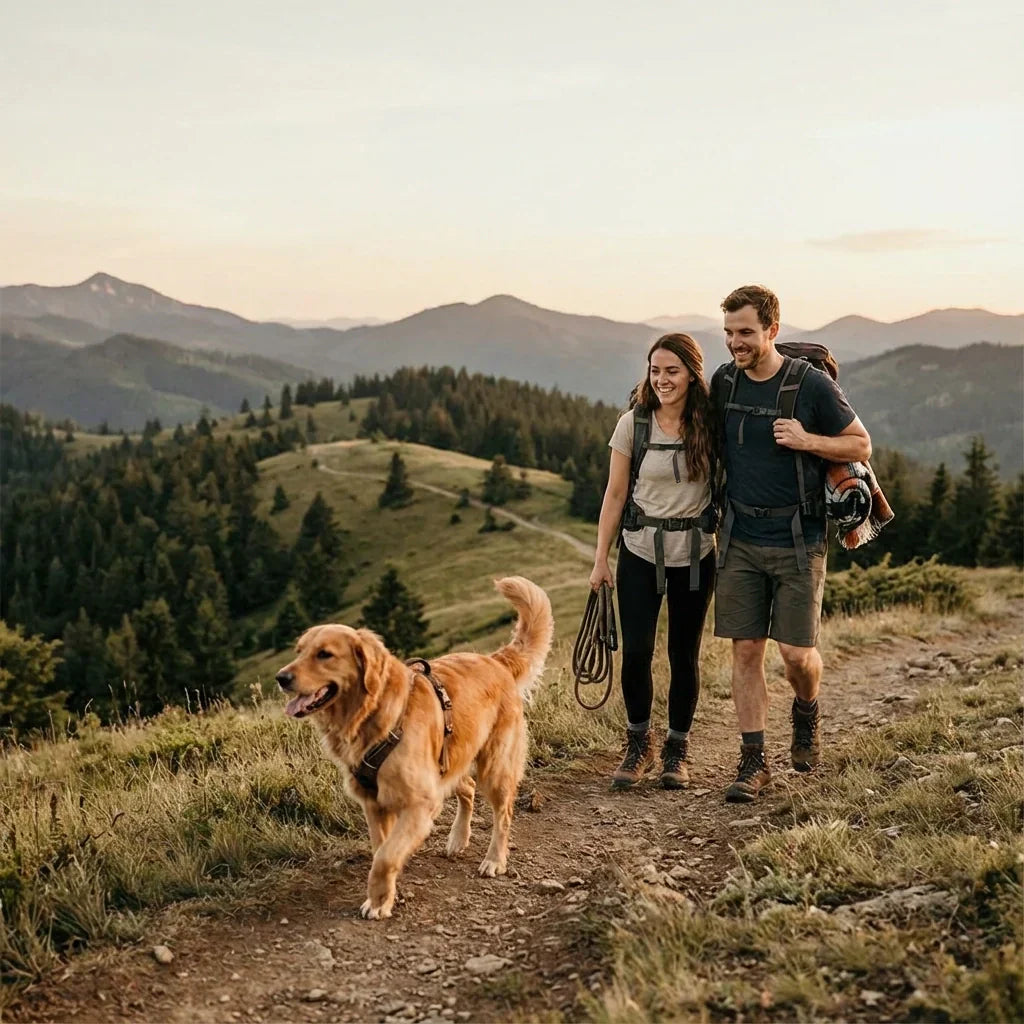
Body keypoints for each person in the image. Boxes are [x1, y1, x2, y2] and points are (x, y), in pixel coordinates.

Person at [710, 285, 871, 803]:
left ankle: (806, 711)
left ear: (772, 330)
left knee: (797, 654)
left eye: (746, 333)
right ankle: (753, 760)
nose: (736, 342)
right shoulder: (723, 382)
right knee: (747, 649)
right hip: (738, 536)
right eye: (730, 332)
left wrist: (808, 440)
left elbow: (861, 443)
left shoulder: (812, 386)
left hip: (800, 539)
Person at [589, 333, 718, 790]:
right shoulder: (633, 424)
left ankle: (676, 750)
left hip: (697, 556)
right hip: (640, 553)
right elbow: (616, 493)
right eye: (655, 370)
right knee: (638, 651)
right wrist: (600, 558)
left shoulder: (711, 424)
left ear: (692, 374)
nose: (662, 380)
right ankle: (638, 743)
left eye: (672, 371)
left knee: (684, 654)